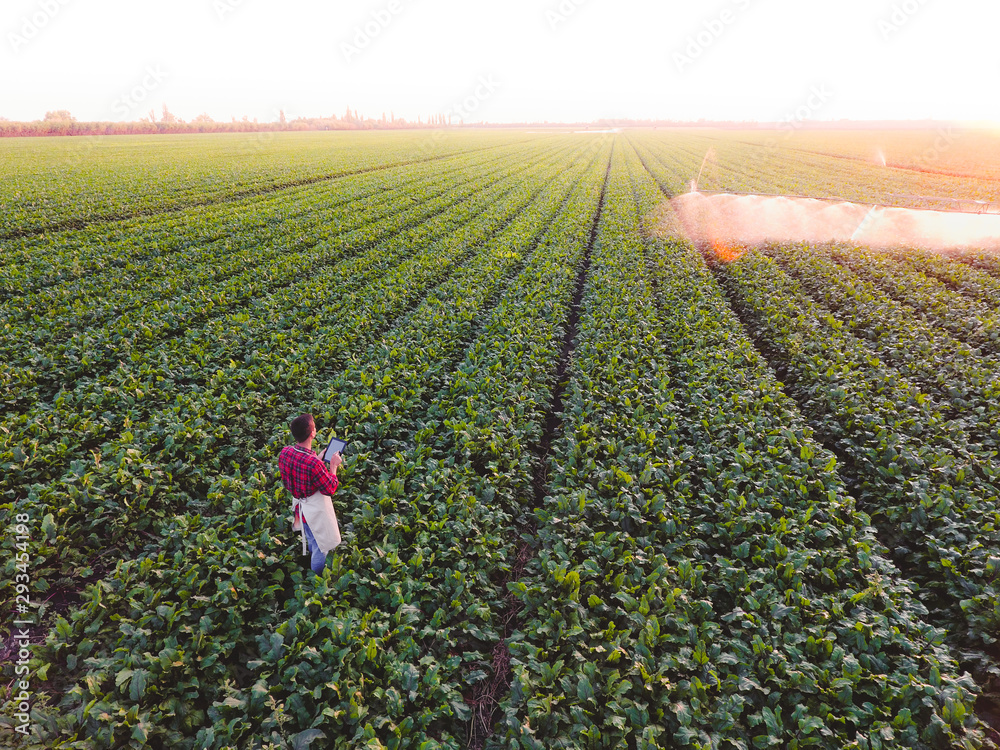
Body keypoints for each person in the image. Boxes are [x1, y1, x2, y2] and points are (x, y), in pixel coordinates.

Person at [277, 413, 344, 576]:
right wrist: (333, 466)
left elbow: (301, 470)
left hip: (301, 508)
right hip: (315, 511)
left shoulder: (286, 452)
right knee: (322, 548)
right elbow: (330, 488)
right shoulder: (313, 464)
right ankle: (317, 577)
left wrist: (319, 459)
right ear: (312, 433)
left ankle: (312, 561)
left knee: (312, 539)